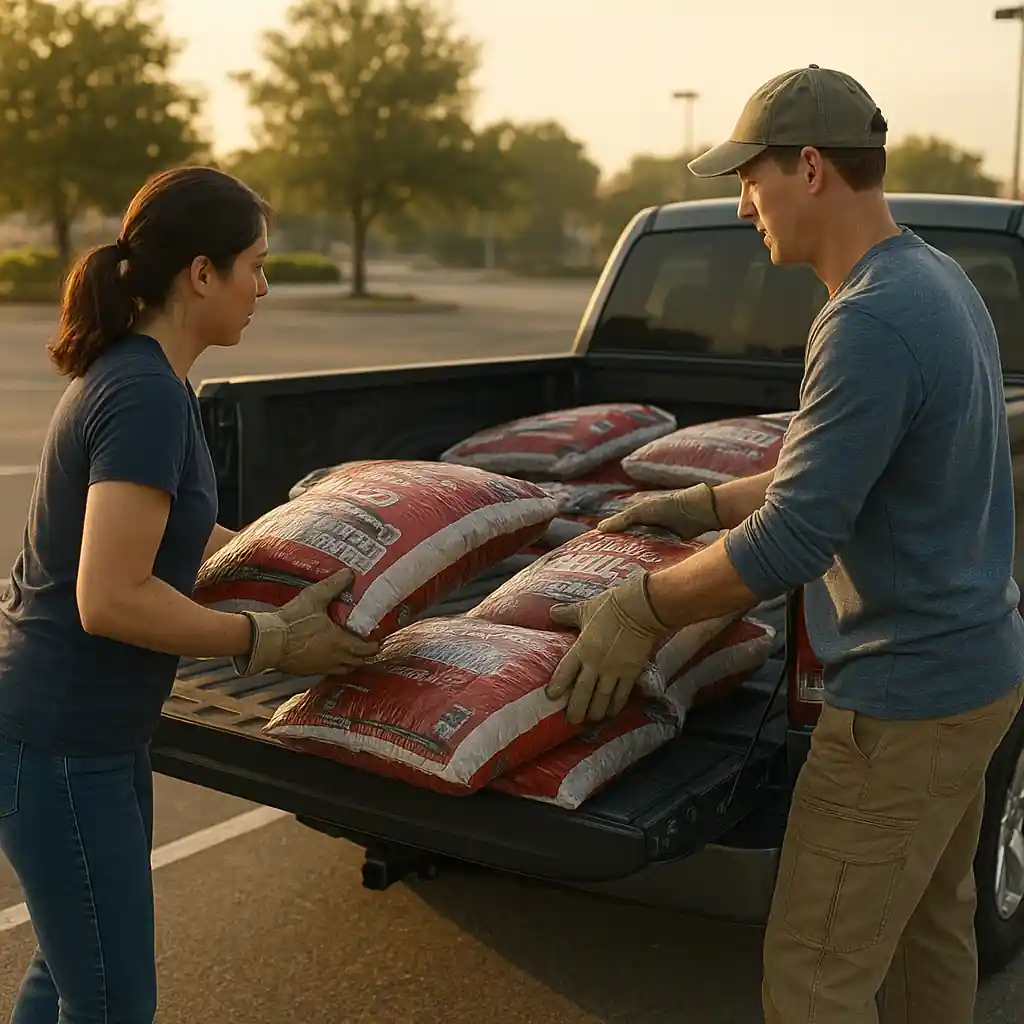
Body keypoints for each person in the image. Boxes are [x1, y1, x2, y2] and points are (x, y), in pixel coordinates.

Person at [545, 66, 1024, 1023]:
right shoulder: (934, 280)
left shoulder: (868, 319)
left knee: (814, 983)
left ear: (809, 168)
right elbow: (845, 474)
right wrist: (703, 505)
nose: (741, 206)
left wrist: (637, 609)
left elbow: (793, 542)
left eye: (748, 178)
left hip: (902, 704)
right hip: (975, 680)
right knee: (929, 935)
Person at [0, 166, 378, 1024]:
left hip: (87, 736)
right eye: (255, 265)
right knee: (111, 1002)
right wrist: (268, 639)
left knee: (69, 978)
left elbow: (176, 536)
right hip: (61, 743)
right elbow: (110, 598)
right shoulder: (144, 396)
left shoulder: (150, 380)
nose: (263, 287)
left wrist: (295, 557)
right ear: (201, 273)